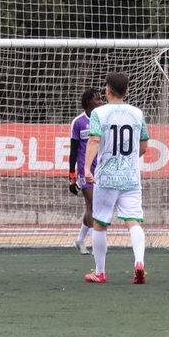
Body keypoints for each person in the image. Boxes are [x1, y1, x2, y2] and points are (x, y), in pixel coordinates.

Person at [82, 71, 150, 284]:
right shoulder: (137, 113)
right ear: (126, 91)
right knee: (133, 221)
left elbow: (94, 140)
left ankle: (100, 272)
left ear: (107, 90)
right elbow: (143, 147)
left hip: (107, 177)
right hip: (131, 178)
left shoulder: (99, 113)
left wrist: (86, 169)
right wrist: (128, 159)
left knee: (99, 223)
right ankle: (139, 262)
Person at [68, 87, 100, 254]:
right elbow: (73, 152)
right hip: (84, 170)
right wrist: (72, 177)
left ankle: (80, 240)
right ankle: (96, 245)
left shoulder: (102, 120)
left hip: (100, 169)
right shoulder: (78, 122)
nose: (100, 101)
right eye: (97, 99)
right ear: (88, 101)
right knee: (92, 204)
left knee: (94, 206)